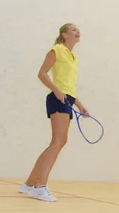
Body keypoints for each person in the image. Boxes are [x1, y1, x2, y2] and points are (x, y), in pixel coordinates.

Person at [18, 23, 88, 202]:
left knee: (57, 141)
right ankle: (39, 186)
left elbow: (69, 87)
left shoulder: (73, 57)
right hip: (57, 99)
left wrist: (80, 105)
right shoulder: (57, 49)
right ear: (64, 35)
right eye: (73, 30)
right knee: (59, 141)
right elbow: (41, 73)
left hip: (67, 99)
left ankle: (29, 184)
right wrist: (56, 91)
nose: (77, 31)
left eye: (77, 30)